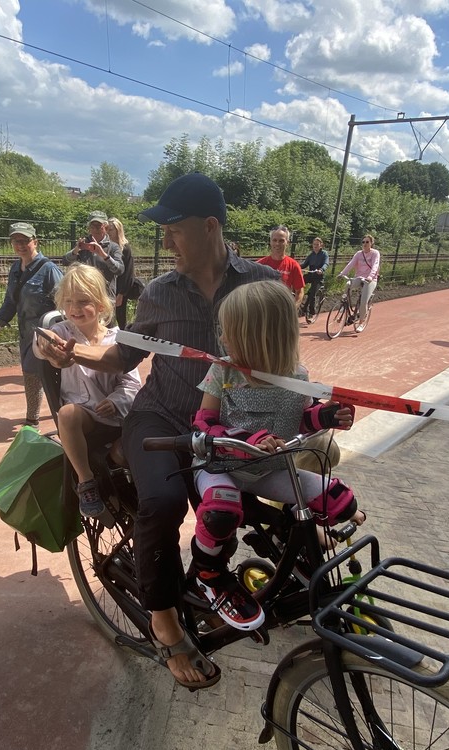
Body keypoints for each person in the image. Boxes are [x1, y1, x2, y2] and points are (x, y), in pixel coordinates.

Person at [37, 172, 279, 689]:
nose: (164, 240)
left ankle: (231, 584)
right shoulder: (160, 294)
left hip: (229, 422)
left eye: (173, 228)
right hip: (162, 418)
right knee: (164, 503)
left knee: (258, 501)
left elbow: (282, 359)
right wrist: (70, 351)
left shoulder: (263, 284)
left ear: (210, 226)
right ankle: (165, 624)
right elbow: (125, 354)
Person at [190, 281, 363, 630]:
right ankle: (207, 573)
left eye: (230, 332)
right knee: (222, 512)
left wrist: (327, 416)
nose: (223, 339)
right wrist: (248, 437)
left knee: (338, 499)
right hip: (220, 465)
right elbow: (203, 424)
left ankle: (298, 555)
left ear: (260, 337)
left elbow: (302, 416)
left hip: (268, 469)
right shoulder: (223, 370)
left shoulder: (297, 376)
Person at [33, 265, 140, 517]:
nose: (74, 309)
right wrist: (44, 340)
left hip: (115, 417)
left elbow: (132, 383)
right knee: (67, 413)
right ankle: (86, 481)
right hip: (85, 418)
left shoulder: (117, 339)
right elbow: (42, 342)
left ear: (101, 305)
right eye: (68, 302)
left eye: (83, 301)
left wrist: (116, 400)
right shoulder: (61, 332)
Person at [0, 222, 63, 428]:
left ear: (35, 242)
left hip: (47, 333)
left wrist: (58, 332)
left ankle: (64, 418)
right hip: (26, 333)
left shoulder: (49, 269)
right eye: (16, 241)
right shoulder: (15, 269)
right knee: (31, 375)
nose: (20, 245)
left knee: (55, 378)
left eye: (25, 241)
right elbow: (11, 300)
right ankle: (34, 420)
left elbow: (64, 303)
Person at [63, 210, 123, 298]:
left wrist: (104, 255)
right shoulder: (84, 244)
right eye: (92, 226)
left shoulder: (113, 247)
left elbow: (119, 270)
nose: (95, 230)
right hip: (85, 296)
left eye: (98, 226)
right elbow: (65, 261)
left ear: (105, 227)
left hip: (105, 298)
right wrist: (76, 250)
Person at [337, 234, 381, 327]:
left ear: (371, 243)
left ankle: (361, 322)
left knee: (363, 301)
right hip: (359, 277)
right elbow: (350, 264)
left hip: (370, 279)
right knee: (348, 284)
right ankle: (343, 304)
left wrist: (370, 277)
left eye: (367, 242)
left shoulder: (375, 253)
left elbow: (375, 266)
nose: (365, 244)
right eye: (363, 242)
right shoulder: (358, 254)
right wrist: (342, 274)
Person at [257, 225, 305, 307]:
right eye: (274, 240)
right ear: (270, 242)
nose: (277, 243)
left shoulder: (293, 265)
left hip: (283, 310)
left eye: (281, 241)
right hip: (263, 310)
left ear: (287, 243)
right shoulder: (259, 265)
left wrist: (293, 309)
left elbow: (299, 292)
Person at [107, 217, 135, 328]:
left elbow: (128, 273)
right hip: (108, 285)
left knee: (120, 316)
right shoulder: (105, 247)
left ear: (118, 230)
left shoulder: (125, 248)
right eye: (107, 229)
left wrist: (121, 293)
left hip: (120, 288)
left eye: (111, 229)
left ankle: (123, 340)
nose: (108, 232)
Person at [299, 236, 328, 315]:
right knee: (298, 281)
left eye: (317, 244)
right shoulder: (311, 255)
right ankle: (298, 297)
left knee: (312, 294)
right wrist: (296, 267)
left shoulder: (324, 254)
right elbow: (304, 264)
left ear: (321, 245)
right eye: (314, 244)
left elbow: (326, 263)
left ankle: (312, 312)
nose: (315, 246)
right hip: (311, 275)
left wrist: (321, 270)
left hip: (318, 277)